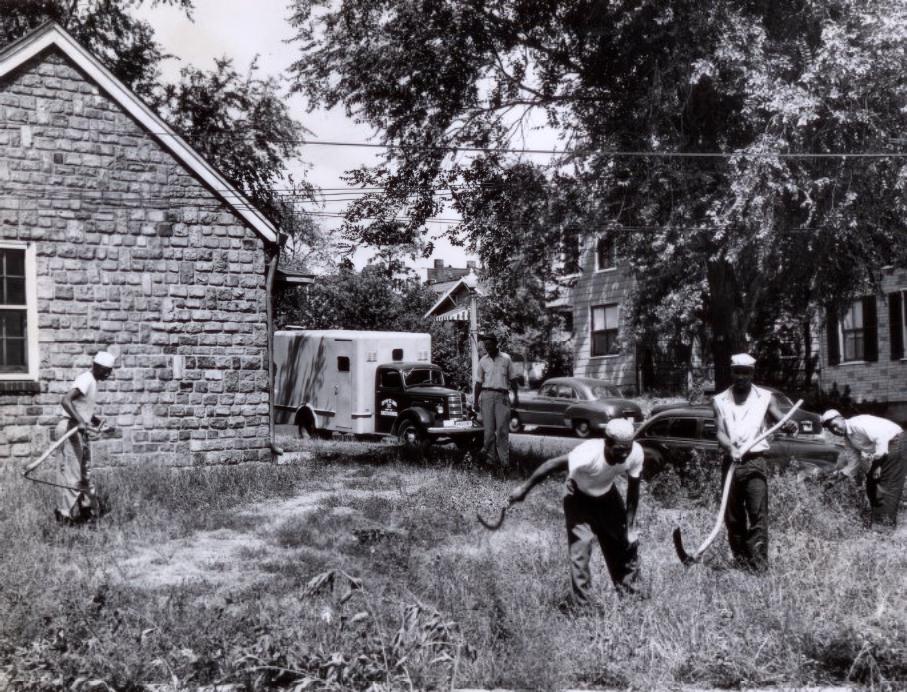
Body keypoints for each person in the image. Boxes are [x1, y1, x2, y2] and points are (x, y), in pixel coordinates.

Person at [508, 418, 643, 605]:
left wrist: (630, 526)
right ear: (607, 442)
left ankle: (631, 600)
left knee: (624, 544)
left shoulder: (634, 453)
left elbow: (633, 490)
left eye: (627, 449)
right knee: (581, 548)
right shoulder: (586, 455)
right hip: (578, 497)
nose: (624, 456)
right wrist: (523, 489)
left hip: (608, 496)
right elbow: (551, 465)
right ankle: (584, 608)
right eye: (619, 450)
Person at [713, 353, 797, 571]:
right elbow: (720, 432)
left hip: (755, 462)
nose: (741, 377)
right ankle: (741, 562)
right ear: (731, 372)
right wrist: (731, 448)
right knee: (733, 517)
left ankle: (759, 567)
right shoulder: (720, 400)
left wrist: (789, 425)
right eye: (737, 372)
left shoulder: (766, 398)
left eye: (746, 372)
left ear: (752, 373)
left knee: (758, 514)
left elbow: (782, 419)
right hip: (731, 464)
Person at [54, 351, 115, 525]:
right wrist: (80, 421)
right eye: (106, 370)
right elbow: (66, 401)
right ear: (97, 366)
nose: (108, 374)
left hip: (78, 430)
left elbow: (82, 408)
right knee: (72, 474)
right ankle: (64, 516)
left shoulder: (93, 382)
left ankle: (85, 512)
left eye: (110, 371)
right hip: (69, 429)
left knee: (85, 473)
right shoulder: (86, 379)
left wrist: (94, 420)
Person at [820, 409, 905, 528]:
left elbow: (881, 437)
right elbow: (854, 464)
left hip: (895, 441)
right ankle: (878, 521)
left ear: (841, 418)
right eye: (831, 429)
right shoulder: (848, 439)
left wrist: (878, 465)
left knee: (886, 485)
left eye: (835, 425)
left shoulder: (857, 424)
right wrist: (835, 479)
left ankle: (884, 528)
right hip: (884, 450)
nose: (835, 429)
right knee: (871, 483)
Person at [473, 333, 519, 467]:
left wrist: (516, 396)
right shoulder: (483, 361)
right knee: (488, 431)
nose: (487, 347)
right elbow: (478, 383)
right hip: (486, 396)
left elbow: (513, 379)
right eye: (485, 345)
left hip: (502, 397)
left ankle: (504, 463)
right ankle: (490, 462)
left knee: (502, 430)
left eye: (489, 344)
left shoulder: (506, 359)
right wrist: (476, 401)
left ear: (496, 344)